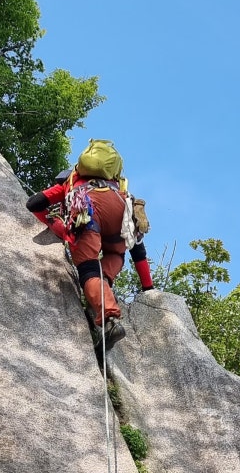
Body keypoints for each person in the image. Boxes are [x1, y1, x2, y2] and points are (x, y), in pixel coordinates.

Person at [26, 139, 154, 343]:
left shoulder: (71, 182)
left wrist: (55, 224)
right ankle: (100, 292)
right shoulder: (119, 189)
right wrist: (148, 287)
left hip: (87, 208)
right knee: (114, 256)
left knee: (88, 269)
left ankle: (110, 319)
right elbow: (137, 248)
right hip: (120, 210)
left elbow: (34, 203)